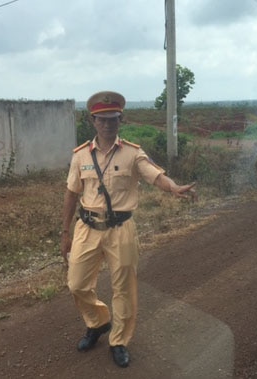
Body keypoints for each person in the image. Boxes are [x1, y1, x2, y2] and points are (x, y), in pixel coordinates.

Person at [60, 90, 196, 368]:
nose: (108, 124)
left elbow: (154, 175)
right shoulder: (80, 156)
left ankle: (119, 341)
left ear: (121, 119)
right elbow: (71, 194)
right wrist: (65, 232)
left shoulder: (133, 153)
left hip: (121, 229)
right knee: (76, 283)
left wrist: (173, 188)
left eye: (113, 119)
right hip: (86, 227)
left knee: (123, 287)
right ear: (93, 121)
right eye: (102, 119)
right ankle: (99, 321)